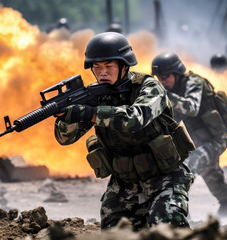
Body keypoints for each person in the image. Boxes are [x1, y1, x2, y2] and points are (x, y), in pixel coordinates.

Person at [54, 32, 194, 230]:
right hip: (124, 184)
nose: (102, 72)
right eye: (96, 67)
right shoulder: (95, 95)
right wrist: (68, 116)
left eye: (108, 66)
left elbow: (135, 118)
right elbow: (65, 138)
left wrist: (89, 112)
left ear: (124, 66)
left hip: (164, 177)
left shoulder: (149, 87)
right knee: (114, 233)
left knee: (166, 226)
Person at [151, 52, 227, 217]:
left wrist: (166, 96)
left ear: (177, 73)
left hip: (216, 139)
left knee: (187, 169)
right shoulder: (171, 92)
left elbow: (191, 107)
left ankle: (179, 214)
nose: (162, 82)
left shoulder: (194, 82)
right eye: (159, 78)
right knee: (210, 172)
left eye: (165, 77)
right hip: (197, 141)